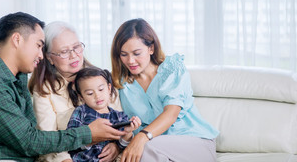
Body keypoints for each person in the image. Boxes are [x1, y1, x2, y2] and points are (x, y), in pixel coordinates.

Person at [0, 12, 125, 162]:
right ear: (17, 40)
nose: (40, 55)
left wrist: (117, 143)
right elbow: (29, 141)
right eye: (38, 45)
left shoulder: (14, 76)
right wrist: (87, 133)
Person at [110, 18, 219, 162]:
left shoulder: (172, 69)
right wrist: (118, 145)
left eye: (136, 53)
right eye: (124, 54)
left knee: (146, 148)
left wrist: (141, 137)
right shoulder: (122, 84)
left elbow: (171, 114)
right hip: (156, 148)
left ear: (151, 48)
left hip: (194, 141)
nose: (130, 61)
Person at [28, 21, 122, 162]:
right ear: (49, 57)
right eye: (64, 52)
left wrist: (117, 146)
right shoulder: (43, 90)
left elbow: (119, 122)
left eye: (77, 47)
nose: (74, 56)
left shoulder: (100, 78)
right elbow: (47, 140)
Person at [66, 67, 141, 162]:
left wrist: (128, 132)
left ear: (109, 88)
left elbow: (122, 145)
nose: (97, 96)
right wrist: (90, 138)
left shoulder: (119, 116)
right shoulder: (81, 112)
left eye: (101, 89)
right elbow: (70, 141)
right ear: (81, 97)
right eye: (90, 93)